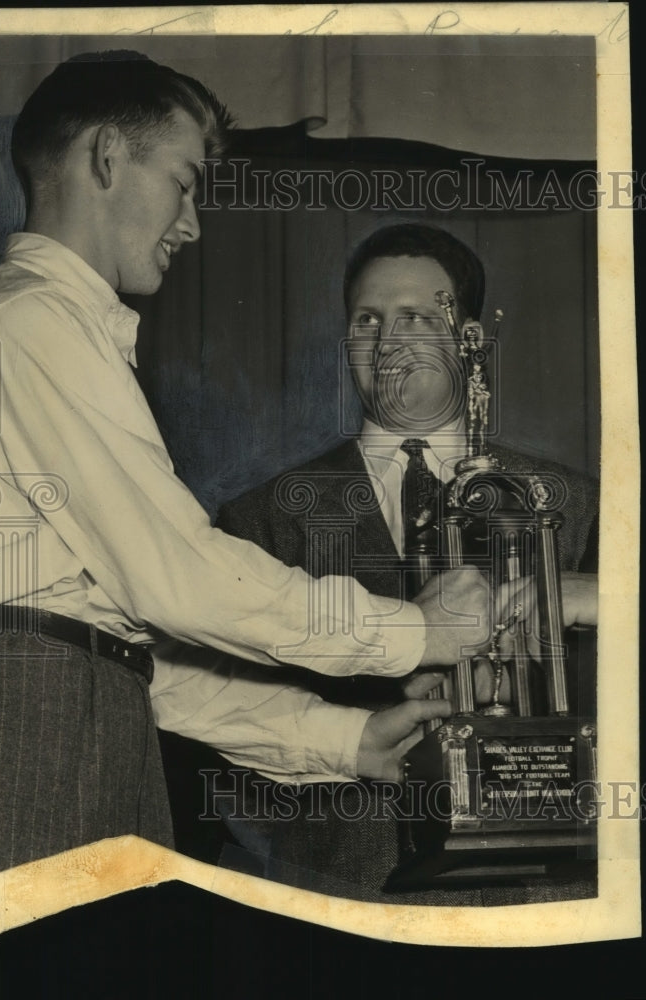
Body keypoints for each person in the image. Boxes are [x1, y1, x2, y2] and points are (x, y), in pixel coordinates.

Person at [0, 55, 506, 882]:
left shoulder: (37, 325)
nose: (192, 223)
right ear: (108, 157)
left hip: (73, 729)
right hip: (33, 735)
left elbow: (125, 651)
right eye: (183, 183)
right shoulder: (30, 317)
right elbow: (178, 580)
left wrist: (342, 738)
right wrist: (416, 631)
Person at [161, 223, 598, 903]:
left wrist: (595, 596)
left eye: (417, 317)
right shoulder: (260, 518)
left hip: (539, 896)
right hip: (340, 897)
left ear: (469, 340)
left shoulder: (577, 502)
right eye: (367, 319)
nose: (389, 341)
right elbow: (217, 733)